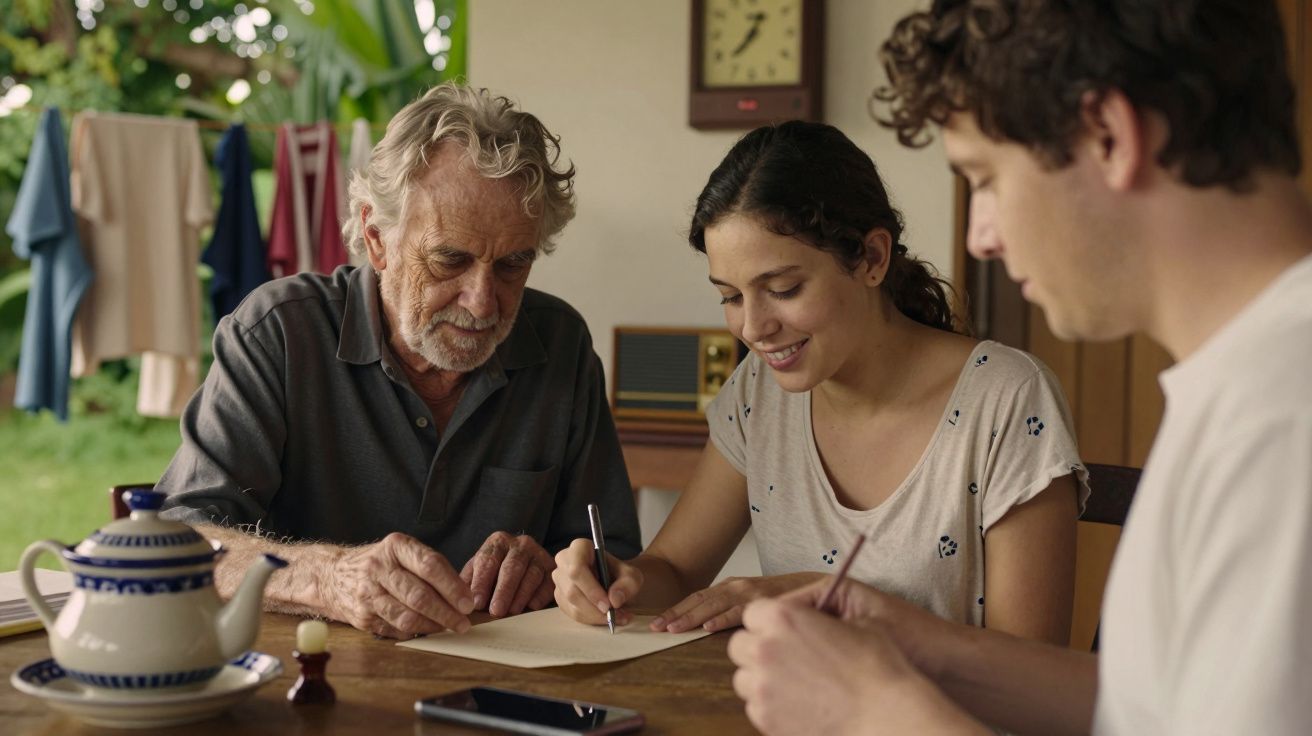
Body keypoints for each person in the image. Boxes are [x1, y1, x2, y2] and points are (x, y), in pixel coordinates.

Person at [728, 1, 1312, 734]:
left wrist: (875, 711)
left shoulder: (1284, 417)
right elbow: (1163, 705)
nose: (981, 236)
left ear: (1109, 135)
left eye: (987, 178)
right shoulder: (1249, 378)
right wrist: (928, 650)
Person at [553, 120, 1087, 646]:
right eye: (731, 297)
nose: (754, 329)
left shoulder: (1007, 401)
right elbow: (676, 568)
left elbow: (1031, 663)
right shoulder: (757, 394)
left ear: (873, 259)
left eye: (783, 289)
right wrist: (619, 580)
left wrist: (830, 599)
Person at [157, 83, 641, 640]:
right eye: (449, 259)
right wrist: (327, 578)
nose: (483, 301)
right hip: (309, 686)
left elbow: (611, 559)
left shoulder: (560, 344)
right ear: (375, 236)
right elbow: (180, 536)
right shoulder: (278, 333)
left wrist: (562, 570)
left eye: (513, 264)